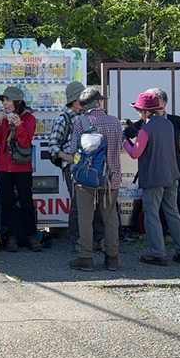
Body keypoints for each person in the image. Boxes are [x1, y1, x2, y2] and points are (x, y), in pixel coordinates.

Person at [123, 90, 180, 266]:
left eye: (139, 110)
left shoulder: (145, 129)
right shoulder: (168, 124)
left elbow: (135, 153)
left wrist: (125, 142)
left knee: (151, 214)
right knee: (172, 212)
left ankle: (157, 253)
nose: (138, 113)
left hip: (153, 178)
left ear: (146, 111)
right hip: (172, 175)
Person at [60, 86, 124, 271]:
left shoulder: (81, 122)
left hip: (86, 177)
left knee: (85, 218)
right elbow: (119, 147)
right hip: (111, 176)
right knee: (110, 218)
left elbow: (73, 150)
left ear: (83, 105)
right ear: (99, 103)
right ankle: (112, 259)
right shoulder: (114, 122)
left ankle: (86, 258)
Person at [49, 81, 105, 253]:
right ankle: (77, 241)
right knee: (77, 204)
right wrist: (70, 158)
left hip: (92, 166)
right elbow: (52, 145)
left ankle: (95, 239)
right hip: (73, 168)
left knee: (95, 202)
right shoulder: (63, 119)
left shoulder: (88, 116)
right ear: (74, 101)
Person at [0, 86, 42, 252]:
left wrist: (19, 125)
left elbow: (25, 143)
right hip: (3, 166)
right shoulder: (1, 118)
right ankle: (9, 236)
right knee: (7, 202)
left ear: (17, 102)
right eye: (4, 100)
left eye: (8, 100)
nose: (5, 103)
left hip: (22, 167)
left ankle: (31, 235)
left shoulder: (29, 118)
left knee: (26, 201)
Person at [145, 87, 180, 243]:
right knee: (159, 205)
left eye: (157, 103)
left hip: (173, 167)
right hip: (155, 168)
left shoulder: (174, 120)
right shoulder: (146, 121)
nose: (154, 107)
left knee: (178, 200)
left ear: (164, 103)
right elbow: (131, 131)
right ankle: (163, 234)